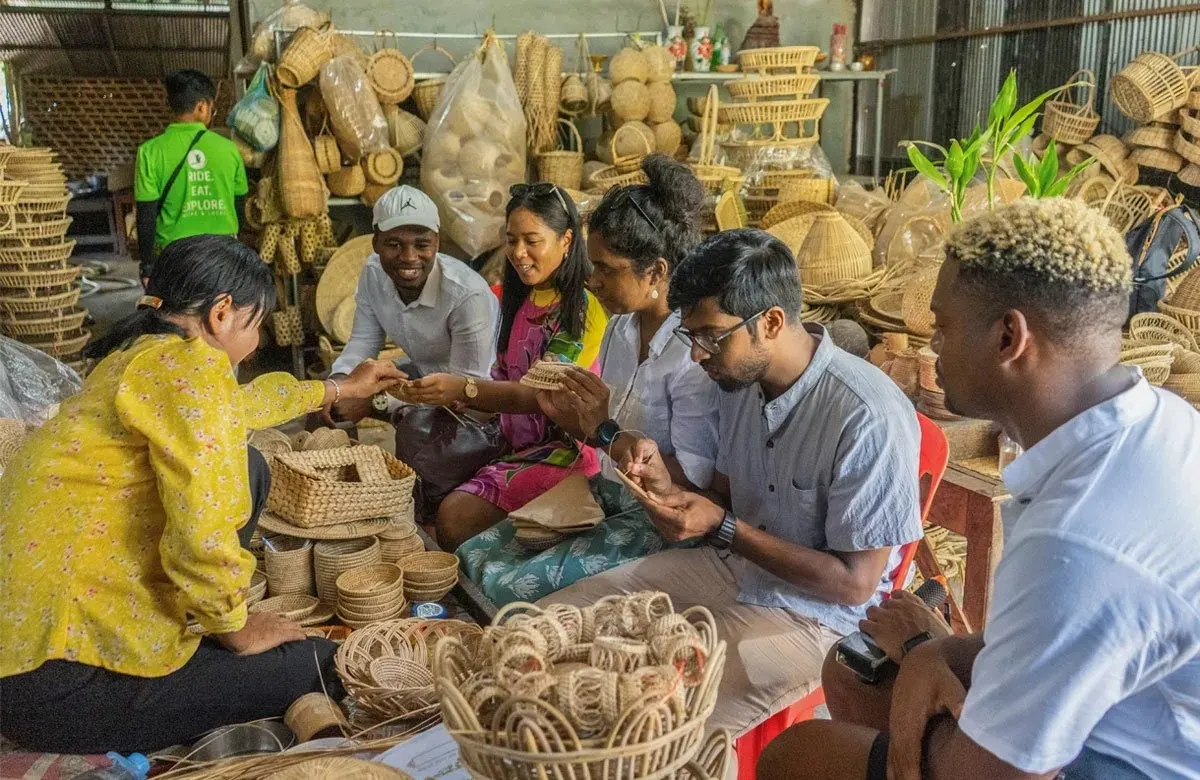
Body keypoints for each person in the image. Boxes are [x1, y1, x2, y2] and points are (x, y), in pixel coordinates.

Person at [759, 198, 1200, 780]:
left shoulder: (1077, 540)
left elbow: (998, 774)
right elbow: (1072, 630)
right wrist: (935, 651)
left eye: (941, 327)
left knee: (797, 756)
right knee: (855, 667)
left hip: (1120, 764)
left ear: (1007, 337)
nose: (929, 347)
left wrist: (925, 655)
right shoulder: (1159, 418)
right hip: (1122, 708)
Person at [0, 235, 404, 754]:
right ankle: (206, 628)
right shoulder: (193, 372)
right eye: (255, 323)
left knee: (251, 466)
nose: (256, 341)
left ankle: (195, 626)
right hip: (59, 688)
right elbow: (201, 527)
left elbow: (236, 408)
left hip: (23, 657)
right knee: (321, 665)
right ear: (221, 314)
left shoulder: (139, 360)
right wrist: (236, 627)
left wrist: (338, 388)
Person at [541, 228, 922, 736]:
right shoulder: (736, 381)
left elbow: (854, 585)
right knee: (554, 625)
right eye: (691, 336)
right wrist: (665, 485)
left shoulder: (866, 414)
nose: (698, 354)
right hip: (731, 566)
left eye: (710, 336)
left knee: (654, 715)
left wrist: (723, 527)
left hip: (817, 619)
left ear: (770, 321)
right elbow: (718, 498)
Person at [457, 155, 719, 604]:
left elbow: (695, 482)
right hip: (611, 494)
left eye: (605, 268)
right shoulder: (623, 328)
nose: (591, 281)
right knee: (470, 555)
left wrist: (603, 430)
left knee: (504, 585)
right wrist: (578, 421)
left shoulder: (691, 355)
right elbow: (603, 436)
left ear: (655, 272)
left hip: (661, 516)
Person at [404, 183, 608, 551]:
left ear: (566, 240)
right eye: (512, 239)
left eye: (532, 240)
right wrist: (449, 398)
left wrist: (463, 388)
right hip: (513, 444)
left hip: (566, 453)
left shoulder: (584, 309)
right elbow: (502, 381)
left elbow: (538, 396)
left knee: (454, 515)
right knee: (417, 458)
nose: (518, 253)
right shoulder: (521, 300)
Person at [329, 185, 500, 423]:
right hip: (424, 377)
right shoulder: (373, 273)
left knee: (419, 436)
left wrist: (377, 403)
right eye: (394, 244)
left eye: (421, 245)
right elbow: (364, 341)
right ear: (376, 243)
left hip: (480, 399)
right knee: (328, 408)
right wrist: (340, 386)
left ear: (437, 244)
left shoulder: (466, 295)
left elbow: (466, 390)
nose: (409, 257)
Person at [135, 70, 247, 282]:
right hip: (223, 253)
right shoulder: (229, 149)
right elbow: (239, 206)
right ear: (202, 106)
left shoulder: (149, 152)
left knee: (179, 312)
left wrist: (147, 266)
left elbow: (146, 216)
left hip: (174, 256)